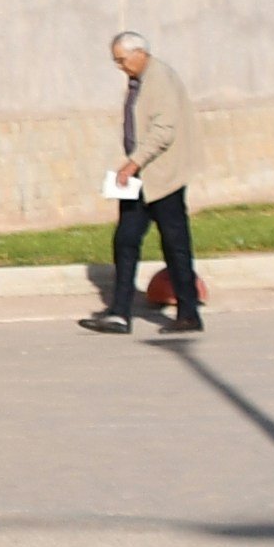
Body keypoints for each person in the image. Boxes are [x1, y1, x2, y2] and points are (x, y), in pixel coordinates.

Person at [77, 30, 202, 339]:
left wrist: (133, 162)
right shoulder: (140, 80)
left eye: (122, 60)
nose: (120, 66)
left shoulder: (160, 79)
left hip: (163, 177)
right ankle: (120, 313)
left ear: (139, 53)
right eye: (116, 61)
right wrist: (133, 166)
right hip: (140, 178)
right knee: (125, 239)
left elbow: (163, 131)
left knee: (174, 243)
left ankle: (188, 313)